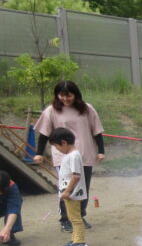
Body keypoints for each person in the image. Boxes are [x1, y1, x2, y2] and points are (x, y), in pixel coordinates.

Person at [33, 80, 105, 232]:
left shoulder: (87, 109)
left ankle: (79, 216)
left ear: (76, 94)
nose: (65, 99)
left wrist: (101, 151)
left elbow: (97, 131)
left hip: (85, 154)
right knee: (66, 187)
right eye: (62, 95)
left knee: (83, 188)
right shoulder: (51, 110)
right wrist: (39, 153)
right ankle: (65, 219)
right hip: (63, 156)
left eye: (69, 96)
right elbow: (44, 134)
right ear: (57, 95)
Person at [49, 128, 88, 246]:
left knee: (75, 218)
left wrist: (67, 191)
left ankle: (80, 242)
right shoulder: (69, 156)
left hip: (73, 194)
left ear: (64, 143)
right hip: (69, 193)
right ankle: (75, 239)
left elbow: (76, 176)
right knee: (72, 218)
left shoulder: (74, 156)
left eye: (56, 146)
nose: (56, 149)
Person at [0, 170, 23, 246]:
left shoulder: (12, 187)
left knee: (15, 206)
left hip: (4, 203)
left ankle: (9, 234)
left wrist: (7, 229)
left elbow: (13, 208)